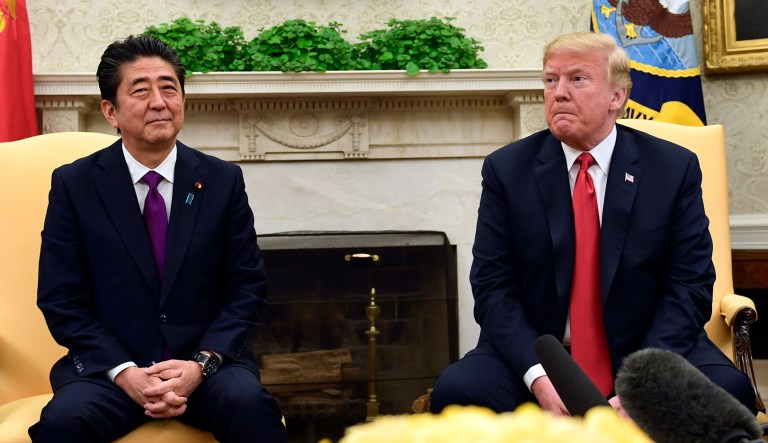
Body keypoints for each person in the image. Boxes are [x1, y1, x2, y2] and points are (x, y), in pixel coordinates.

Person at [429, 32, 758, 417]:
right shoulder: (507, 170)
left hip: (647, 347)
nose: (559, 92)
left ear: (616, 97)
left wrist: (645, 381)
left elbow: (689, 285)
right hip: (543, 354)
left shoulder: (671, 169)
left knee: (729, 392)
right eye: (551, 80)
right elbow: (492, 287)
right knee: (458, 389)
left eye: (577, 79)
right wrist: (537, 377)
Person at [29, 35, 287, 442]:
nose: (159, 101)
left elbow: (247, 288)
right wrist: (124, 372)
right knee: (63, 423)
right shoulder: (74, 185)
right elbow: (62, 299)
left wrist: (200, 365)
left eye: (169, 88)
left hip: (206, 369)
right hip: (110, 374)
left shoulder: (221, 180)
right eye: (141, 90)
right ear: (110, 111)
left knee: (251, 406)